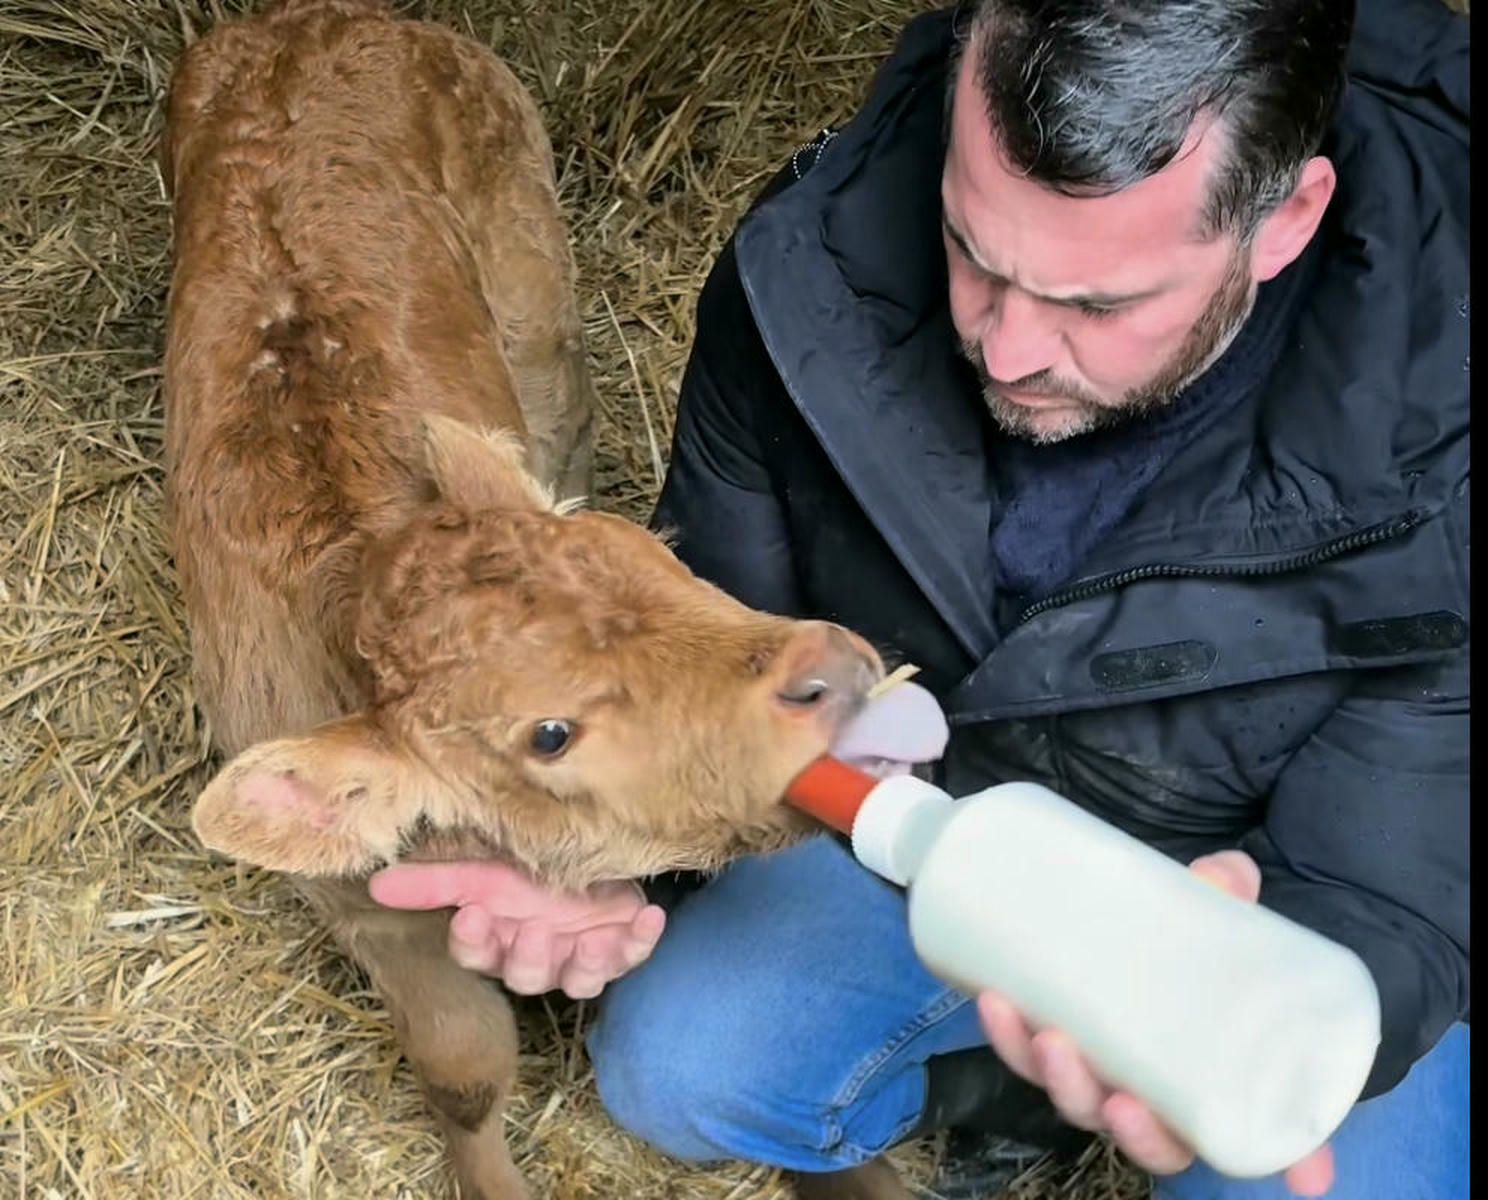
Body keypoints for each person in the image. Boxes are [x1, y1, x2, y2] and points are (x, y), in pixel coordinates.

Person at [368, 0, 1470, 1196]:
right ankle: (1005, 1082)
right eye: (972, 251)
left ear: (1282, 221)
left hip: (1256, 912)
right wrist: (612, 849)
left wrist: (1293, 987)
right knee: (683, 1062)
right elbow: (727, 671)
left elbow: (1394, 898)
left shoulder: (1440, 448)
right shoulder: (808, 283)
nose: (1005, 351)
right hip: (935, 821)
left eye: (1098, 307)